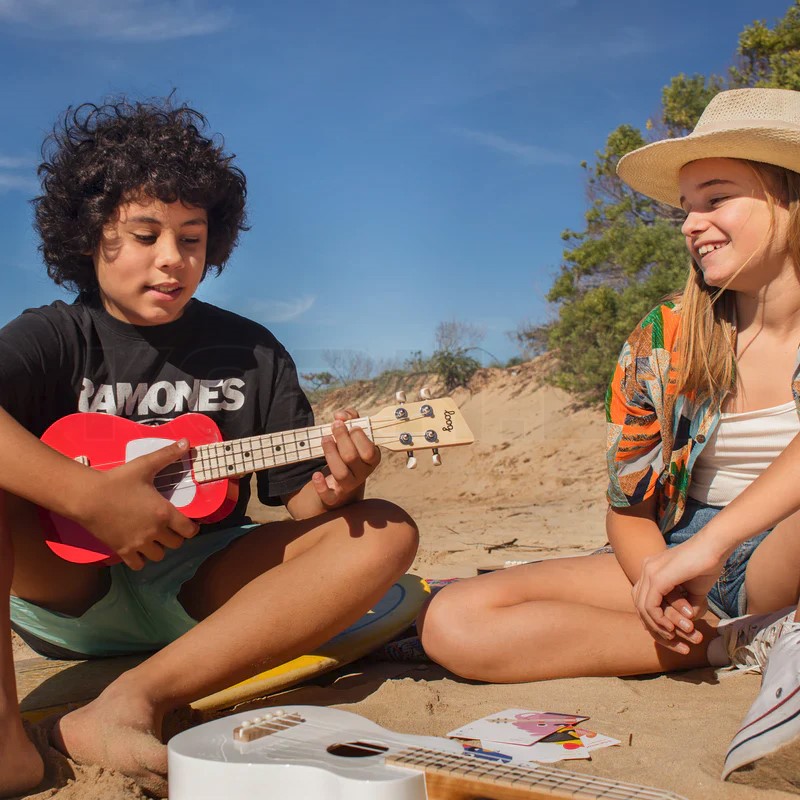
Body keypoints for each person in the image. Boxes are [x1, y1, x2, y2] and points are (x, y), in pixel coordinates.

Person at [0, 97, 418, 798]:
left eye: (191, 240)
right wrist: (88, 499)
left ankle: (132, 699)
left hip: (196, 594)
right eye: (143, 235)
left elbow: (302, 503)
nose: (172, 260)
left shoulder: (249, 351)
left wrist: (341, 486)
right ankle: (7, 746)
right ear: (87, 236)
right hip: (62, 590)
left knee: (385, 533)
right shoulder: (54, 337)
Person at [418, 87, 800, 782]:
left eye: (715, 198)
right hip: (686, 552)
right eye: (685, 206)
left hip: (781, 550)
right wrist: (662, 584)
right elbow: (629, 509)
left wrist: (711, 551)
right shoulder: (664, 341)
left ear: (790, 198)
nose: (691, 224)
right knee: (453, 621)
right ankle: (735, 644)